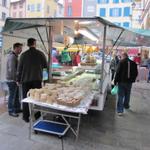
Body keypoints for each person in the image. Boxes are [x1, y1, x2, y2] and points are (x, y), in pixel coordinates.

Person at [17, 38, 47, 122]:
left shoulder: (23, 55)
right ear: (35, 43)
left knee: (26, 98)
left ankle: (26, 116)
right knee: (37, 98)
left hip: (25, 80)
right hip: (37, 80)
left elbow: (19, 69)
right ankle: (37, 115)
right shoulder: (41, 54)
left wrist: (18, 79)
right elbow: (45, 68)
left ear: (27, 44)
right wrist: (45, 80)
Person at [6, 43, 23, 117]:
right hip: (12, 80)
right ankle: (11, 110)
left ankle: (17, 108)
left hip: (14, 80)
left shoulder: (14, 56)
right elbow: (12, 70)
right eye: (20, 48)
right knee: (12, 96)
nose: (21, 50)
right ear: (15, 48)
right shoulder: (12, 57)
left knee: (16, 96)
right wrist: (16, 80)